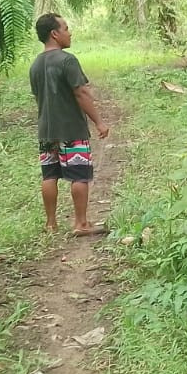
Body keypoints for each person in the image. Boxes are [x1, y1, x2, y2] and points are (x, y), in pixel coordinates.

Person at [29, 13, 111, 235]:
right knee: (78, 173)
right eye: (65, 28)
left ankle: (51, 224)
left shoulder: (35, 64)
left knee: (49, 175)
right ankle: (81, 224)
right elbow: (81, 93)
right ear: (55, 34)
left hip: (46, 129)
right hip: (71, 128)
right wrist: (99, 122)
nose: (69, 32)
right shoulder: (67, 60)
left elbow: (39, 97)